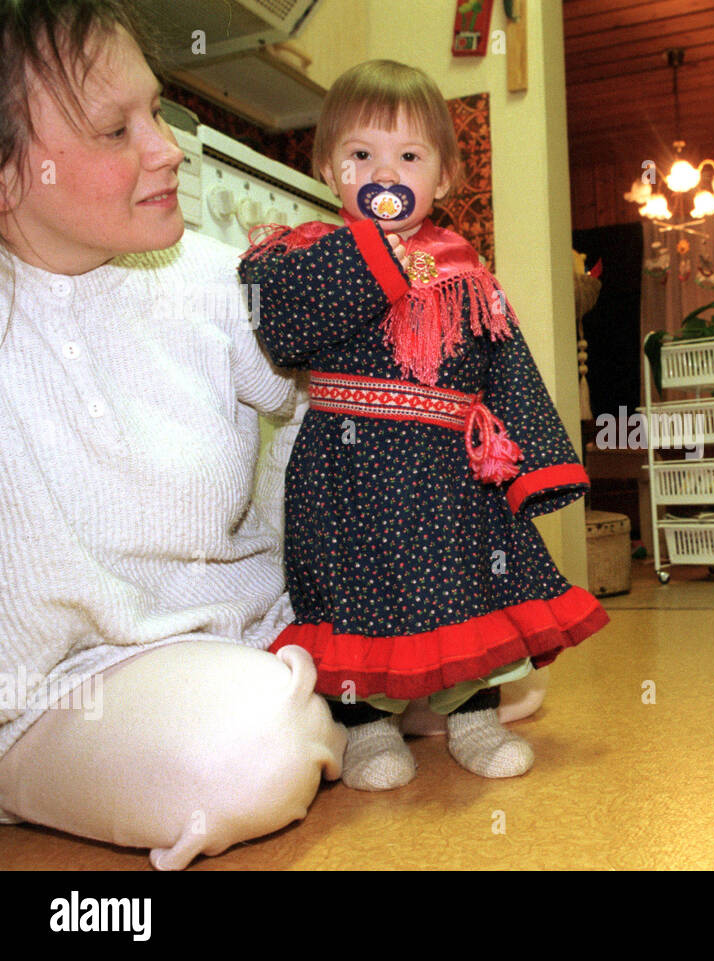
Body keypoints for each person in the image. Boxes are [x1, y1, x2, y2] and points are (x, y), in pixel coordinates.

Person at [0, 0, 348, 869]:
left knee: (484, 661)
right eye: (115, 130)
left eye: (154, 110)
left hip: (240, 634)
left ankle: (312, 691)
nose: (167, 147)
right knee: (249, 751)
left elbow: (330, 403)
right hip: (51, 693)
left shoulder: (209, 278)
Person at [237, 60, 608, 790]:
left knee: (467, 590)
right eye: (361, 155)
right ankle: (369, 727)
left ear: (443, 178)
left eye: (409, 155)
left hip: (449, 477)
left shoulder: (467, 272)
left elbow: (507, 367)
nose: (386, 170)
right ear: (326, 168)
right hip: (345, 475)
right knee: (354, 597)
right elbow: (280, 329)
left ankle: (473, 716)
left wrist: (536, 468)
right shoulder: (304, 254)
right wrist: (379, 256)